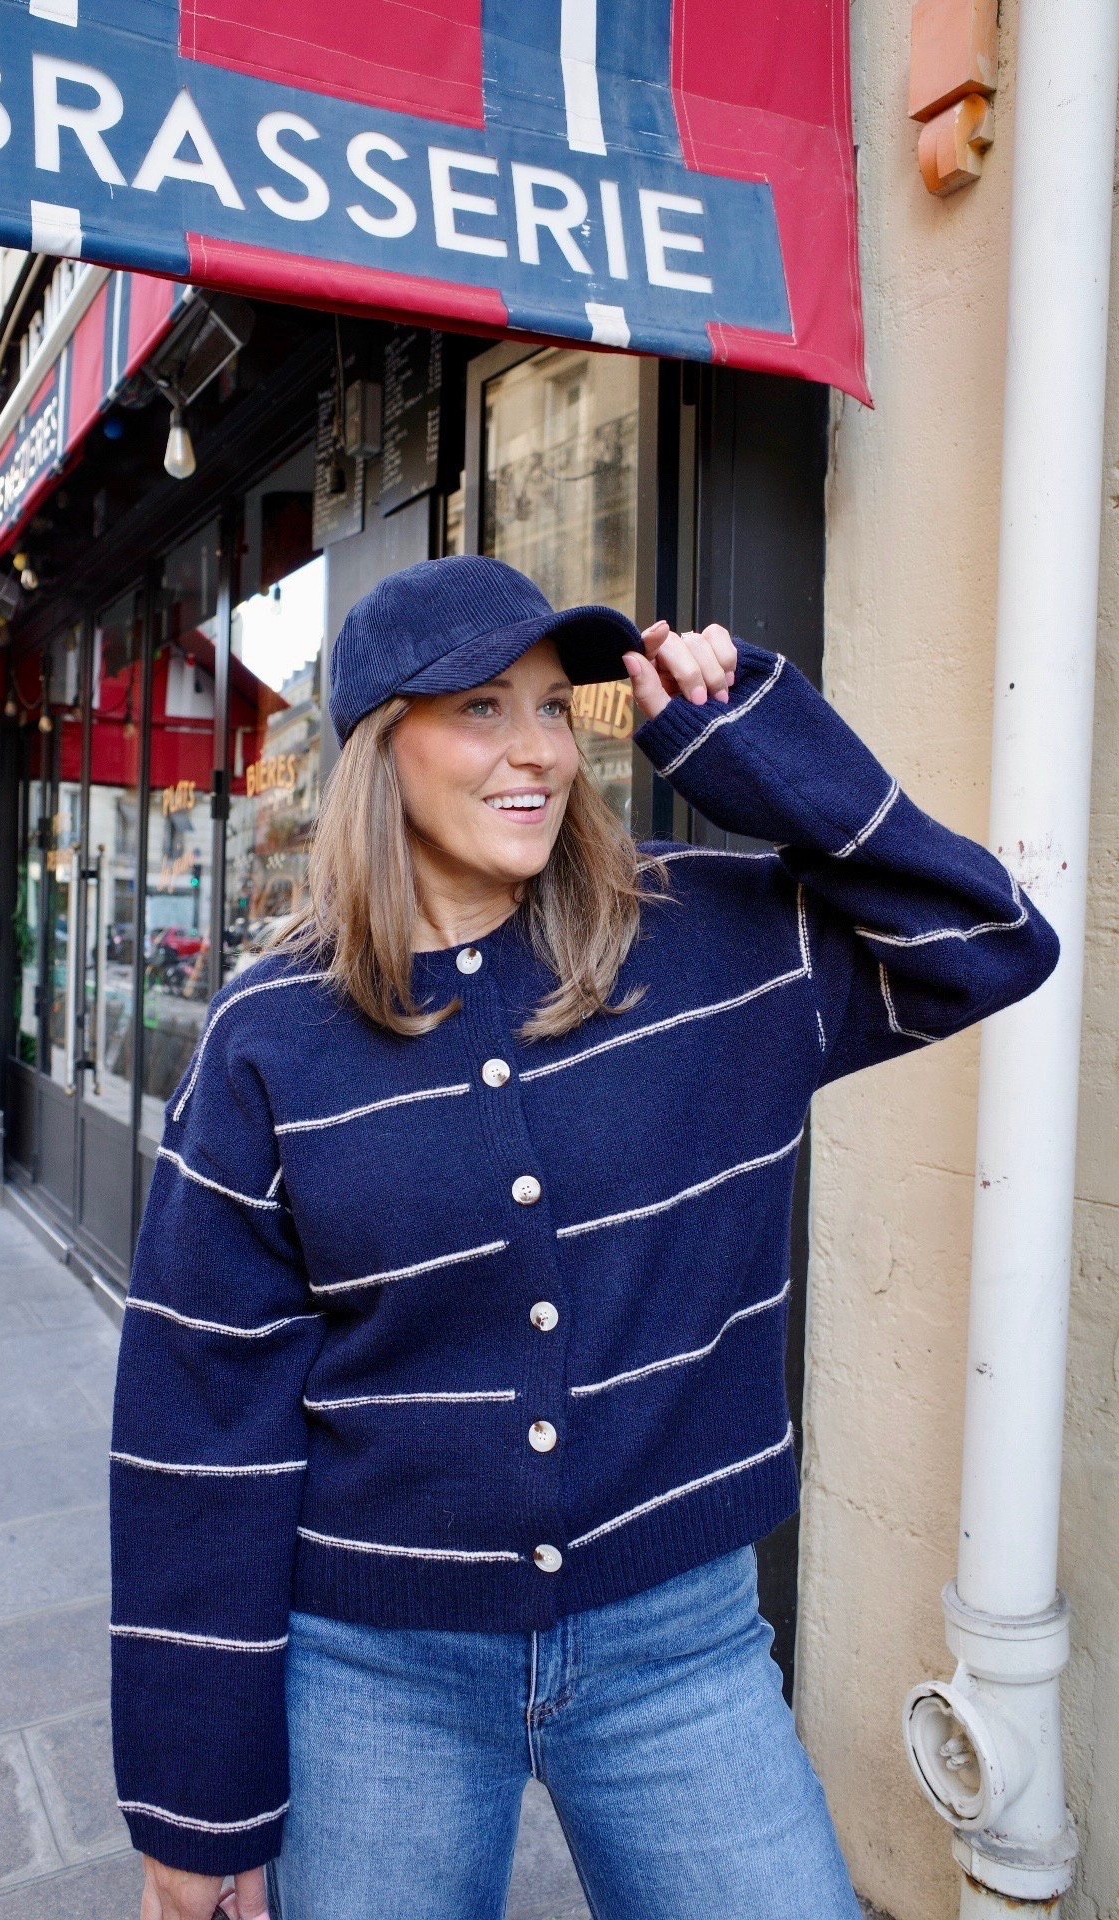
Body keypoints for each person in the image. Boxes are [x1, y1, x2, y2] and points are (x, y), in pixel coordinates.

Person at [111, 555, 1059, 1920]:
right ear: (384, 748)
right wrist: (196, 1805)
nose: (537, 751)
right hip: (376, 1673)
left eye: (557, 708)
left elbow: (989, 938)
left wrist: (742, 737)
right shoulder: (274, 1041)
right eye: (483, 710)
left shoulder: (707, 949)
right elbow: (198, 1430)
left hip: (680, 1655)